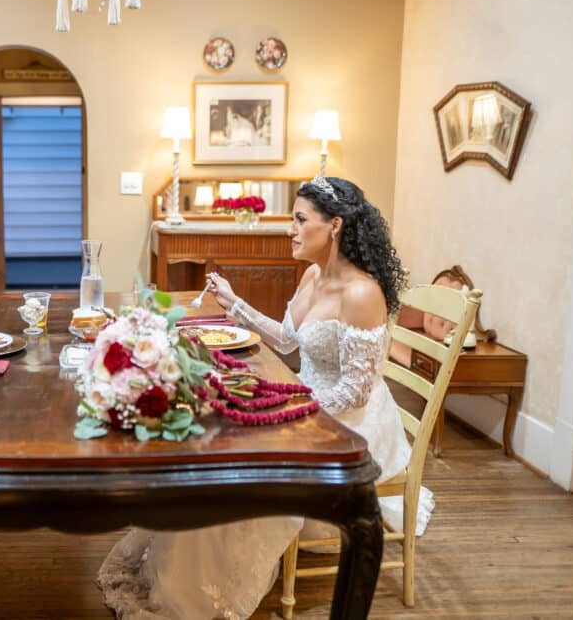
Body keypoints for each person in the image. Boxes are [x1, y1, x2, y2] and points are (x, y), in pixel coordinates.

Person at [98, 176, 431, 619]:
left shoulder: (362, 293)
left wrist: (287, 408)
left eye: (298, 220)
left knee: (241, 465)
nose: (289, 229)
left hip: (349, 426)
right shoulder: (314, 275)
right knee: (220, 445)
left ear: (334, 226)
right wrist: (234, 303)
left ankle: (199, 590)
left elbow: (357, 390)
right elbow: (289, 342)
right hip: (308, 401)